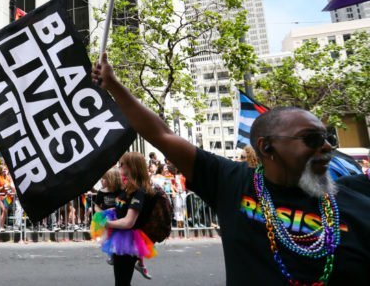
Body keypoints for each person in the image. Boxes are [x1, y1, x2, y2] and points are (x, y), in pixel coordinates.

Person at [92, 52, 370, 284]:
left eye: (328, 138)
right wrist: (113, 85)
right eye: (312, 139)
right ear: (266, 147)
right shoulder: (231, 182)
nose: (326, 147)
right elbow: (163, 135)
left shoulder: (358, 202)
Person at [98, 152, 156, 285]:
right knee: (121, 281)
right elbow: (122, 209)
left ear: (131, 167)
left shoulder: (139, 192)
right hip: (121, 240)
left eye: (122, 165)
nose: (119, 167)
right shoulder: (128, 189)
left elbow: (129, 222)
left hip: (128, 242)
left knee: (122, 282)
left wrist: (106, 223)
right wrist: (110, 211)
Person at [0, 164, 15, 231]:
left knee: (5, 211)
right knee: (3, 210)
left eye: (6, 170)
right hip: (1, 197)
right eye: (4, 170)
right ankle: (1, 226)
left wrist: (11, 190)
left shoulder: (9, 177)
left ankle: (2, 225)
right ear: (0, 171)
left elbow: (12, 186)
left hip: (8, 197)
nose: (5, 171)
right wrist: (3, 187)